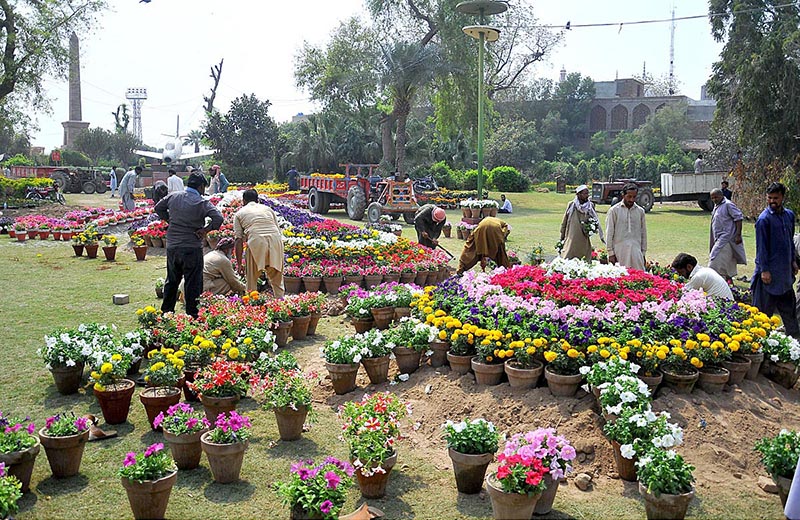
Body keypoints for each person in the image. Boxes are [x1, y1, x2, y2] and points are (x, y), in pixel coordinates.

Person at [155, 172, 224, 318]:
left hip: (173, 245)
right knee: (193, 282)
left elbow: (158, 208)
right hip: (192, 247)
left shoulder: (174, 196)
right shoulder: (202, 202)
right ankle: (193, 315)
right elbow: (218, 218)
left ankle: (166, 313)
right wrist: (205, 230)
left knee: (172, 280)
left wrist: (169, 220)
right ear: (200, 187)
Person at [751, 182, 800, 338]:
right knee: (763, 317)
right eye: (770, 198)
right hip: (768, 276)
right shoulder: (764, 220)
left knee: (790, 316)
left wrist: (793, 261)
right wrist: (764, 270)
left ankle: (794, 348)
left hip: (784, 275)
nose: (772, 201)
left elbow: (790, 241)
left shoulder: (789, 216)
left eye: (776, 198)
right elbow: (761, 248)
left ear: (782, 197)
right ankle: (759, 351)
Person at [233, 189, 285, 298]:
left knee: (251, 281)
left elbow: (238, 240)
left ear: (244, 201)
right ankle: (281, 305)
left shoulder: (239, 213)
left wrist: (239, 264)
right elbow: (277, 230)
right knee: (277, 281)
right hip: (275, 241)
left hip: (256, 242)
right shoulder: (268, 209)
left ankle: (252, 309)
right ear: (257, 200)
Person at [605, 183, 647, 270]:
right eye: (629, 196)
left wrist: (643, 253)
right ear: (623, 195)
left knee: (638, 280)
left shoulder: (640, 211)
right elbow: (609, 233)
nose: (631, 199)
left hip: (636, 252)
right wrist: (611, 253)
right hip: (619, 252)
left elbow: (643, 234)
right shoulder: (614, 211)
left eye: (634, 197)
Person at [709, 188, 746, 279]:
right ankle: (728, 279)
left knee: (715, 260)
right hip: (719, 237)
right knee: (726, 261)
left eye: (716, 197)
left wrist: (738, 235)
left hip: (727, 237)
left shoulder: (728, 205)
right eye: (712, 198)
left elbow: (739, 218)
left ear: (721, 196)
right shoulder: (717, 206)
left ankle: (720, 279)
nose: (714, 200)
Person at [560, 185, 604, 261]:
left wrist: (591, 228)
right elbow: (565, 221)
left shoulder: (590, 206)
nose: (587, 196)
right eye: (585, 194)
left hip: (584, 236)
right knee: (568, 257)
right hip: (572, 236)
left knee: (584, 257)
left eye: (587, 193)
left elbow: (594, 220)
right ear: (578, 194)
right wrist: (562, 235)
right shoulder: (572, 205)